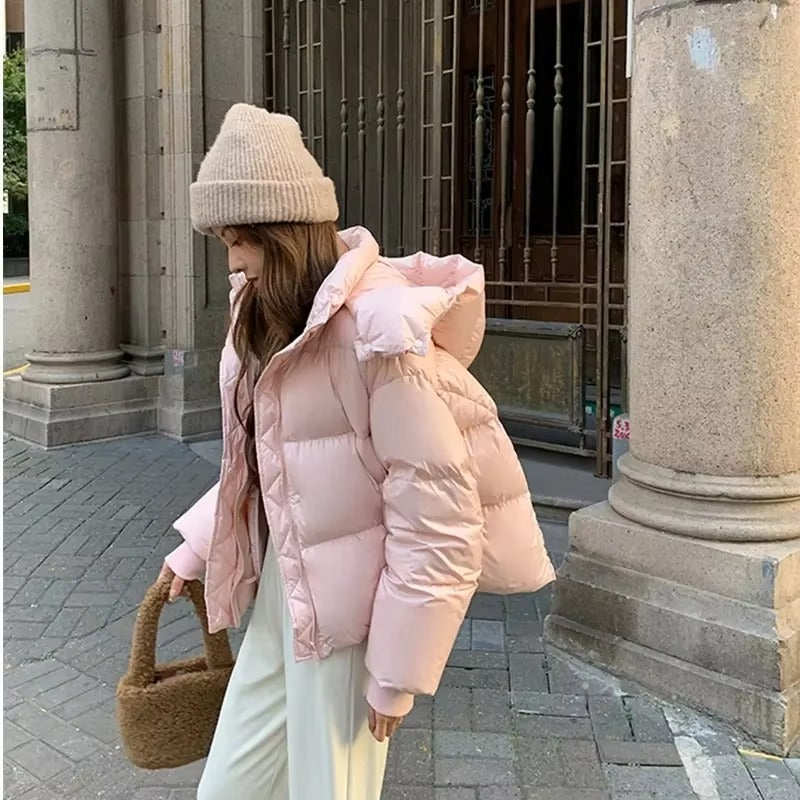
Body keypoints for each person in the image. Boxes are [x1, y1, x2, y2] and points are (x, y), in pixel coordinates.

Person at [159, 103, 555, 800]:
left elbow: (440, 519)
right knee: (228, 787)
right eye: (224, 242)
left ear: (282, 234)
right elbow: (271, 464)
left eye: (239, 241)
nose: (232, 260)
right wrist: (197, 545)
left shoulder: (375, 335)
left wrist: (397, 672)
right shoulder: (268, 319)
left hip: (352, 621)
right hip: (287, 593)